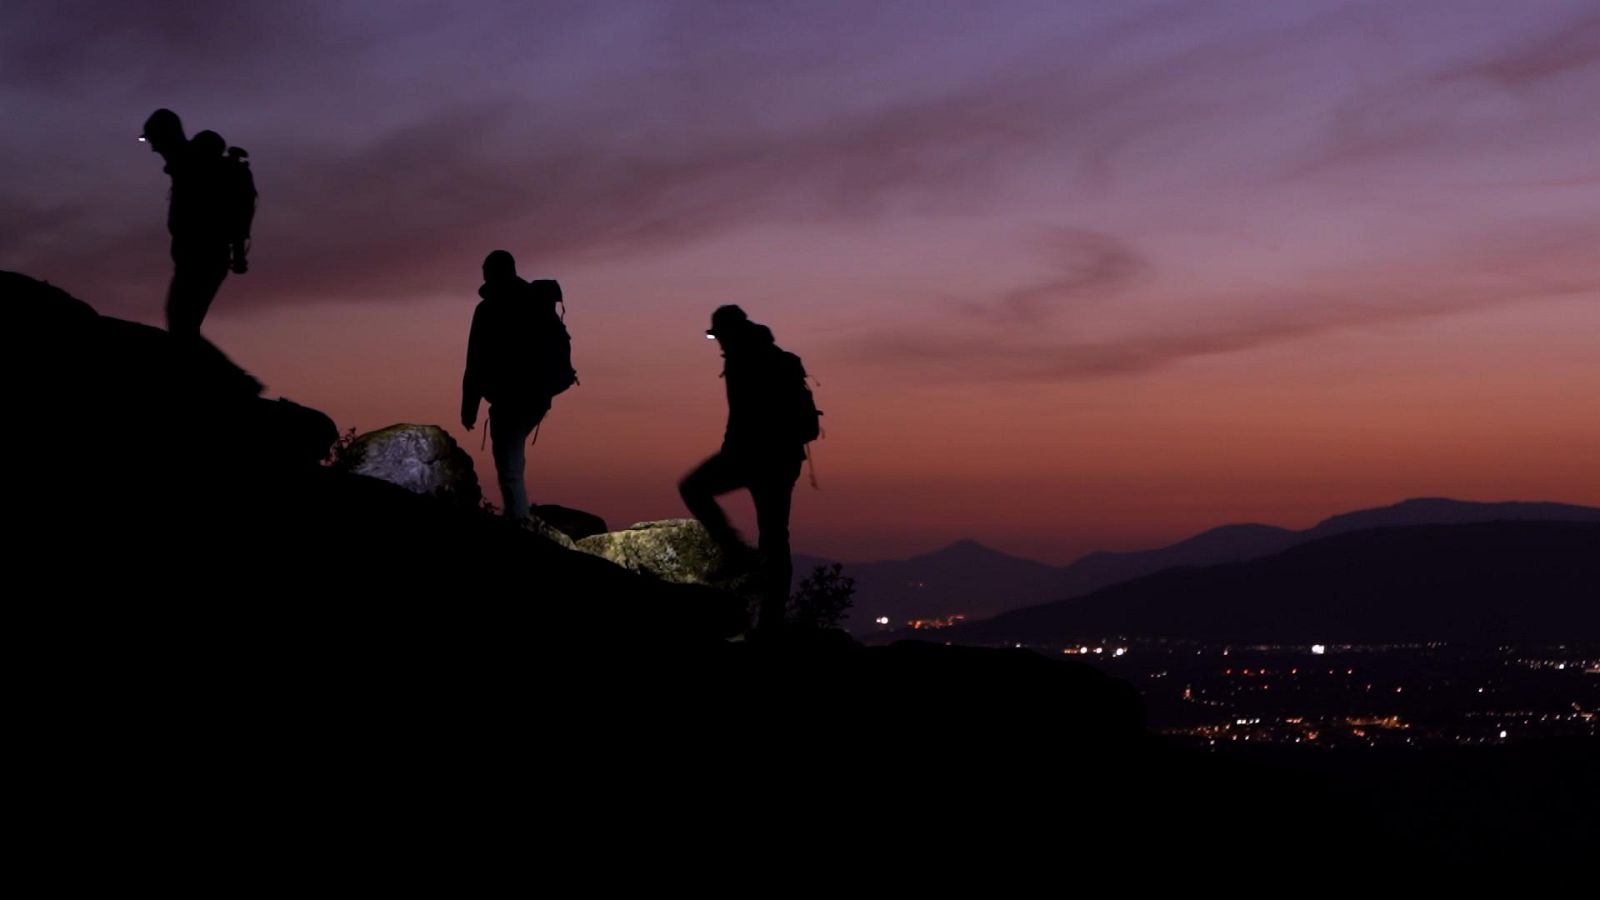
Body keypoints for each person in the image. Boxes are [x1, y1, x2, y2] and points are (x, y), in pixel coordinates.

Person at [679, 305, 811, 633]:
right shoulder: (766, 354)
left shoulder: (747, 357)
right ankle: (771, 618)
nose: (718, 343)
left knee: (694, 488)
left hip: (756, 456)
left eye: (719, 335)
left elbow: (746, 415)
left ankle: (736, 554)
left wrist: (733, 451)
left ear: (729, 331)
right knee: (775, 536)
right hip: (781, 459)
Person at [461, 250, 574, 520]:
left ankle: (519, 526)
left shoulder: (488, 309)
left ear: (489, 274)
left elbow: (475, 359)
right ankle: (520, 517)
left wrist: (469, 408)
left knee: (509, 467)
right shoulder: (534, 301)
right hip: (538, 395)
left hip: (509, 396)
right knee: (512, 455)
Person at [141, 109, 254, 337]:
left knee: (182, 326)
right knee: (182, 324)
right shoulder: (186, 165)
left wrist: (238, 253)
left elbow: (234, 211)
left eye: (154, 140)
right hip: (195, 259)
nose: (153, 148)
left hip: (204, 258)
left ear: (167, 136)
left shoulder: (194, 166)